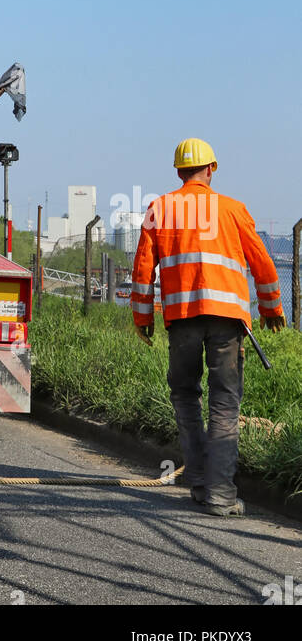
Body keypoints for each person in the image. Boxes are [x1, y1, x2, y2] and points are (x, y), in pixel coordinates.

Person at [131, 137, 284, 519]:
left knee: (185, 395)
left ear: (179, 171)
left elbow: (142, 270)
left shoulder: (160, 208)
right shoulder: (233, 209)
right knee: (225, 402)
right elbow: (263, 264)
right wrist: (271, 308)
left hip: (182, 318)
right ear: (211, 168)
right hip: (227, 319)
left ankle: (199, 484)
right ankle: (219, 494)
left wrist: (143, 318)